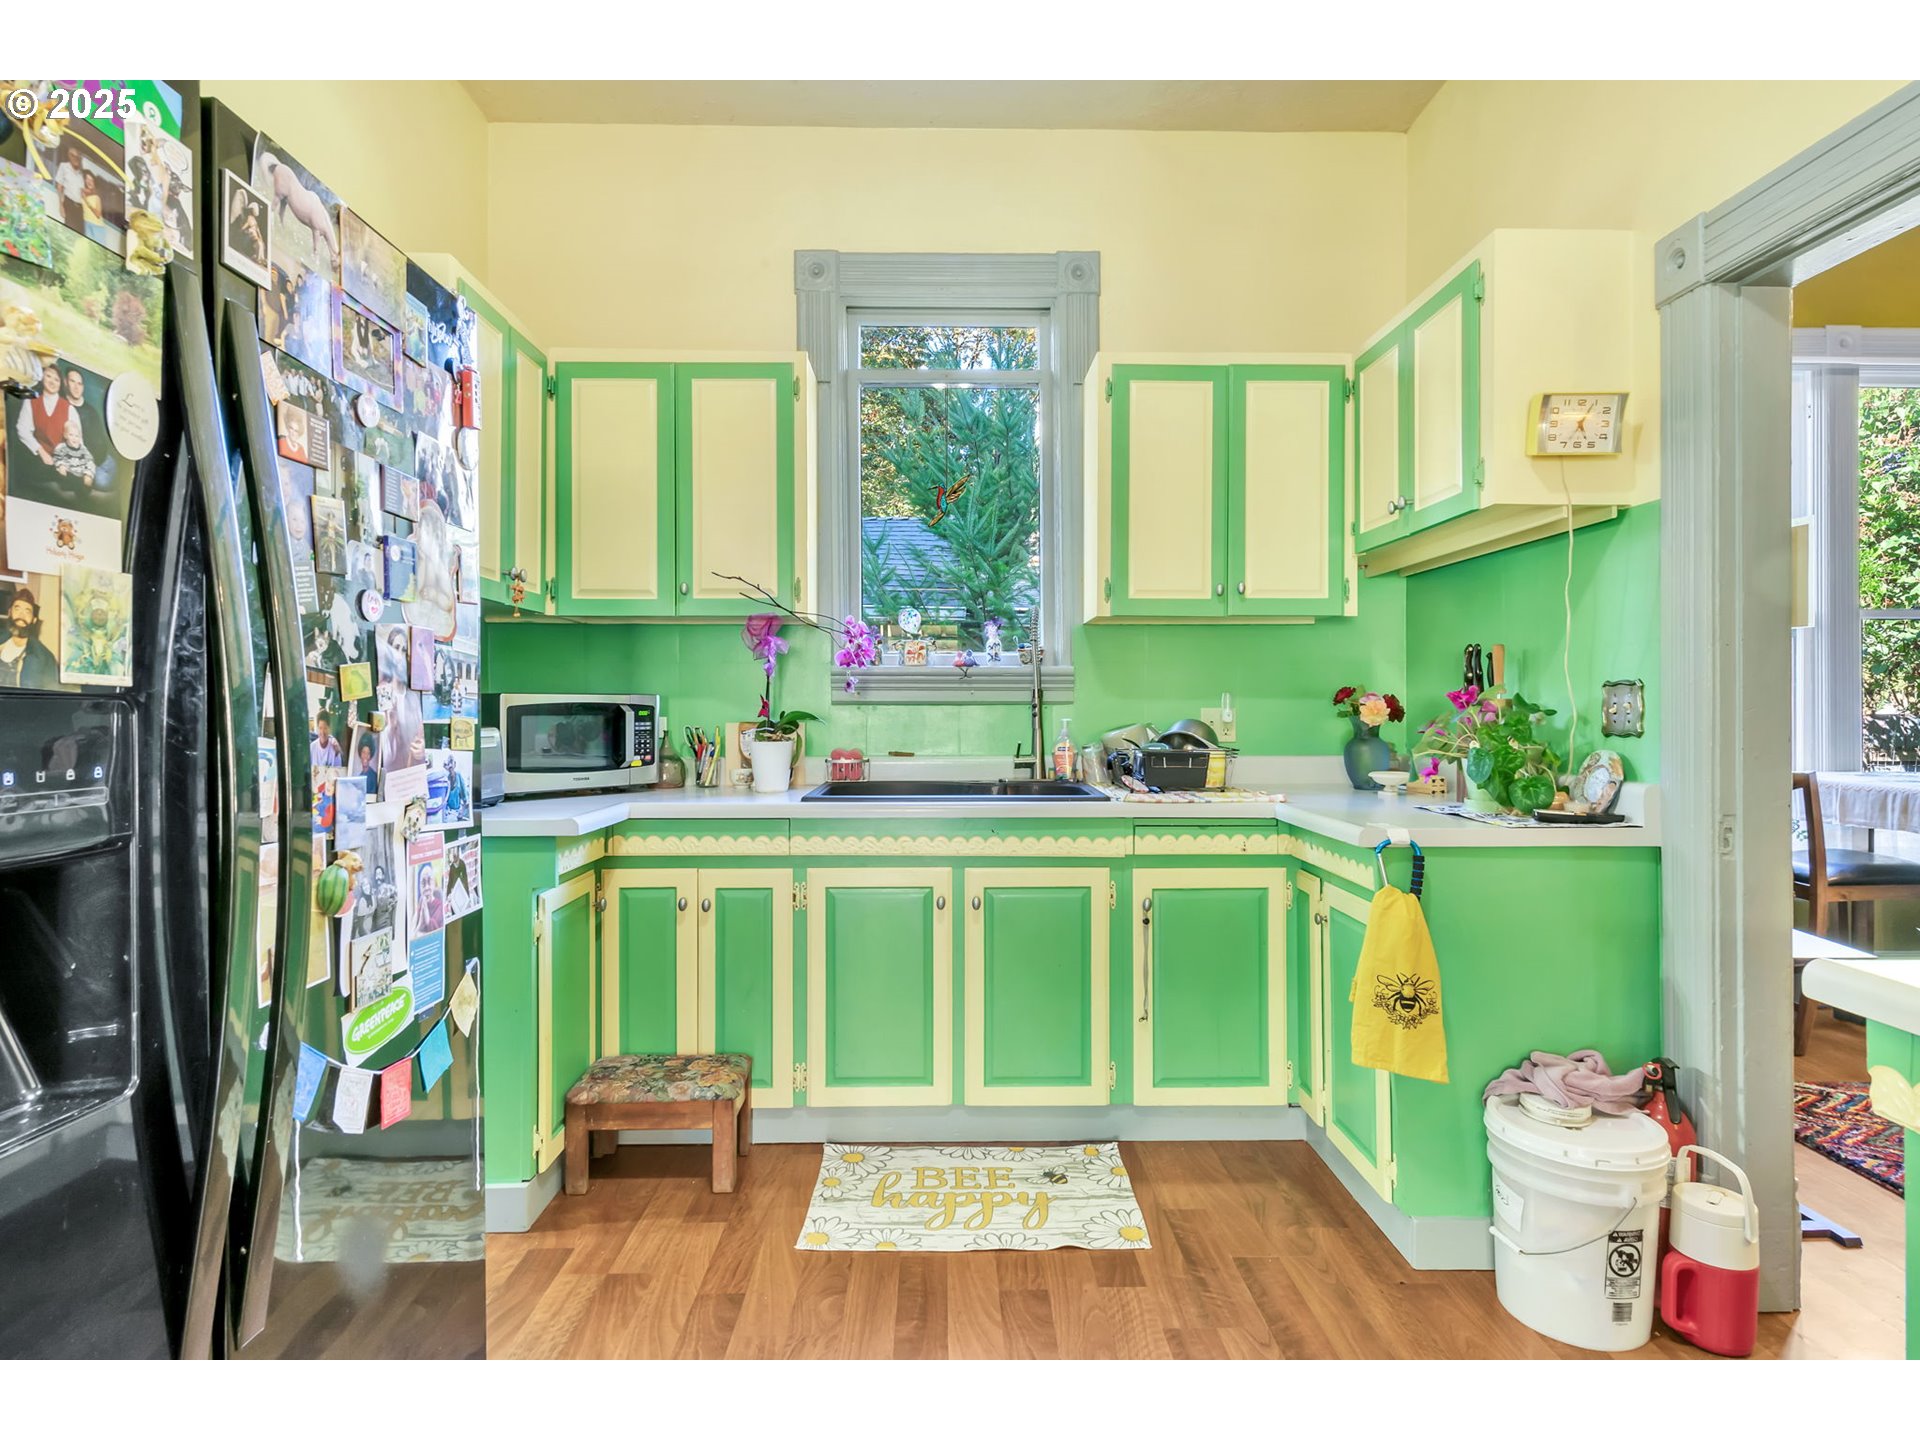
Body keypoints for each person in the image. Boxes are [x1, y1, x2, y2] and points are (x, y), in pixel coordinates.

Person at [0, 587, 60, 689]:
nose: (21, 615)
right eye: (17, 609)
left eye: (27, 611)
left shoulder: (45, 658)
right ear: (9, 612)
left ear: (34, 620)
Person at [53, 144, 84, 230]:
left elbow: (82, 192)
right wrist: (61, 205)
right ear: (69, 156)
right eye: (72, 155)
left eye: (77, 156)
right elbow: (59, 187)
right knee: (69, 230)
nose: (75, 158)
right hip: (69, 204)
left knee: (79, 233)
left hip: (80, 208)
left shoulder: (81, 173)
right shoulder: (64, 166)